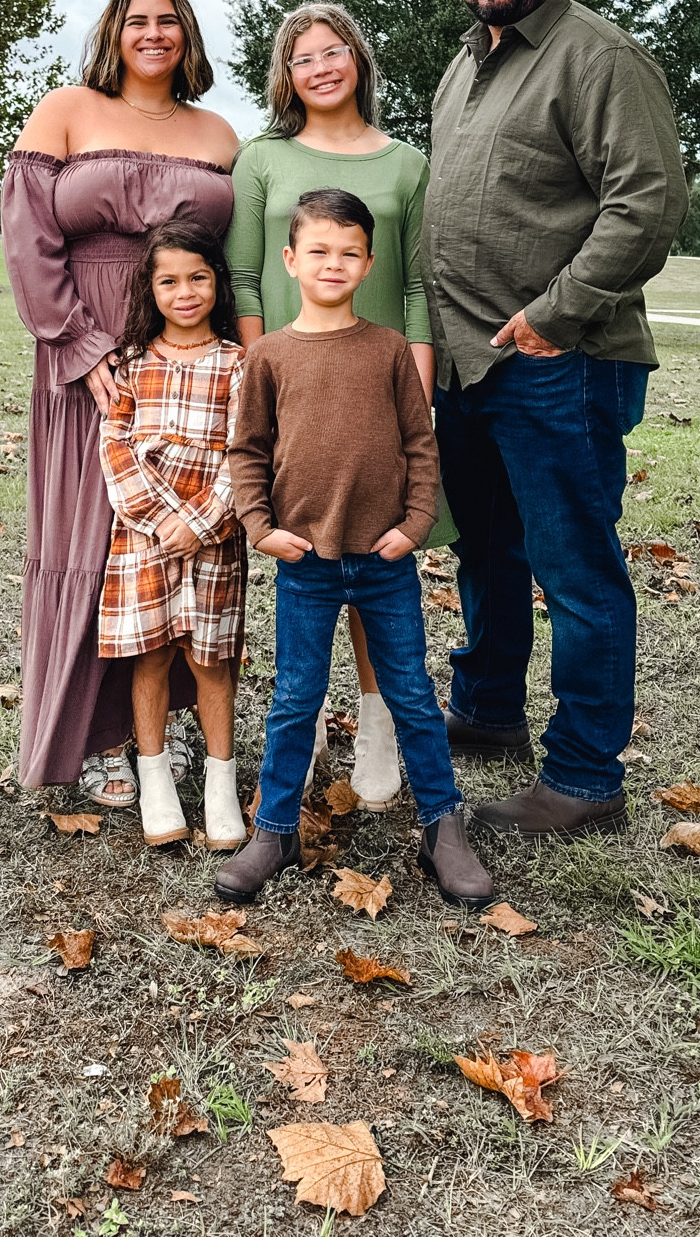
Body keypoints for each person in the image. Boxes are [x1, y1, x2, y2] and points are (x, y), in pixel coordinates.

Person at [423, 0, 688, 839]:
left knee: (573, 568)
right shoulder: (466, 64)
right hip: (470, 365)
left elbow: (647, 204)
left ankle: (582, 778)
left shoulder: (597, 58)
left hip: (562, 362)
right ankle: (489, 711)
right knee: (487, 554)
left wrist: (557, 312)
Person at [214, 188, 493, 907]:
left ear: (368, 264)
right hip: (305, 561)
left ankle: (442, 827)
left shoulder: (390, 350)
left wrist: (415, 522)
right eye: (318, 251)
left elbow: (418, 444)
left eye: (348, 253)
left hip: (383, 560)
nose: (332, 264)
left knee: (411, 695)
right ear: (290, 260)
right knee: (294, 699)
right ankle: (273, 830)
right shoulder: (270, 356)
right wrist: (260, 525)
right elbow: (246, 451)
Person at [2, 0, 239, 803]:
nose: (153, 33)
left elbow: (233, 266)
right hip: (84, 352)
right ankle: (91, 739)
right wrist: (78, 341)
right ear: (114, 30)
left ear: (188, 36)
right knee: (92, 539)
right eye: (137, 20)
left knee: (173, 544)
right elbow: (29, 238)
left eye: (168, 20)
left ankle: (156, 737)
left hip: (186, 353)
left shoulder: (219, 133)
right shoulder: (65, 109)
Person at [227, 2, 439, 811]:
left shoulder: (405, 164)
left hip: (384, 382)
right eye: (303, 56)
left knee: (377, 547)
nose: (321, 66)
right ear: (286, 75)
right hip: (294, 386)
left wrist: (416, 393)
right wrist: (265, 379)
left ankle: (380, 723)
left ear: (359, 60)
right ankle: (307, 716)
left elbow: (419, 286)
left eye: (335, 50)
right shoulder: (262, 161)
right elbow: (244, 278)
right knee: (311, 552)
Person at [98, 222, 247, 850]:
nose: (185, 292)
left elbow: (248, 453)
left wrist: (203, 521)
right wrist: (163, 521)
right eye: (169, 281)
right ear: (150, 290)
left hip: (214, 536)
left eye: (198, 277)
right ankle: (154, 779)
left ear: (217, 282)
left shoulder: (240, 363)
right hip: (144, 536)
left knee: (212, 660)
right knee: (152, 653)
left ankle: (220, 783)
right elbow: (115, 445)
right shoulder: (131, 365)